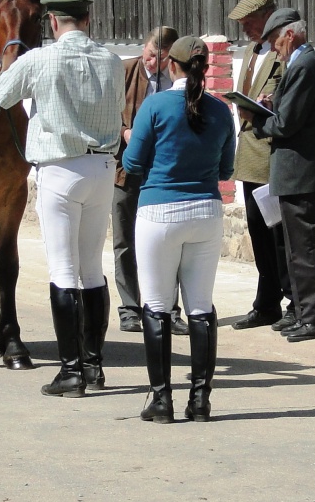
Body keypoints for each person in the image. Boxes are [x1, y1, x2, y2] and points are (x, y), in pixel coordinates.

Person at [0, 0, 124, 398]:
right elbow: (116, 107)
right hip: (102, 167)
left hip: (60, 168)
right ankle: (93, 365)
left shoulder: (39, 59)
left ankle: (71, 371)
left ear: (53, 22)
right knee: (91, 269)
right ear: (87, 20)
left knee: (62, 270)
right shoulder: (111, 61)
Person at [122, 35, 236, 423]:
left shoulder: (155, 105)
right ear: (205, 68)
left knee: (156, 305)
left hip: (158, 211)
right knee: (201, 306)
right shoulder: (221, 110)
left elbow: (133, 163)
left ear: (172, 65)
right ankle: (200, 400)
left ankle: (161, 399)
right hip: (206, 211)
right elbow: (225, 169)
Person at [242, 9, 315, 343]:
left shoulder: (306, 66)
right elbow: (289, 113)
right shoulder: (299, 65)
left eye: (275, 40)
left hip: (303, 173)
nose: (273, 48)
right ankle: (304, 313)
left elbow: (286, 124)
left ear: (290, 34)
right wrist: (271, 105)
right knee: (297, 249)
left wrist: (257, 118)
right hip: (296, 173)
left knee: (307, 248)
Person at [112, 26, 189, 336]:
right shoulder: (123, 71)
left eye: (161, 58)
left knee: (169, 242)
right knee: (124, 240)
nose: (153, 62)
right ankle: (130, 309)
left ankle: (170, 311)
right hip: (125, 168)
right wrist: (124, 132)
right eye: (149, 54)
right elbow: (105, 111)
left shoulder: (178, 81)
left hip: (164, 172)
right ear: (143, 47)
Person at [226, 0, 296, 331]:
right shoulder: (251, 52)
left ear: (268, 17)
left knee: (281, 236)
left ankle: (295, 301)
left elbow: (288, 102)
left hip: (272, 155)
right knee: (259, 234)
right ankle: (267, 303)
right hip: (249, 156)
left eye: (250, 23)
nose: (246, 30)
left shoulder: (285, 54)